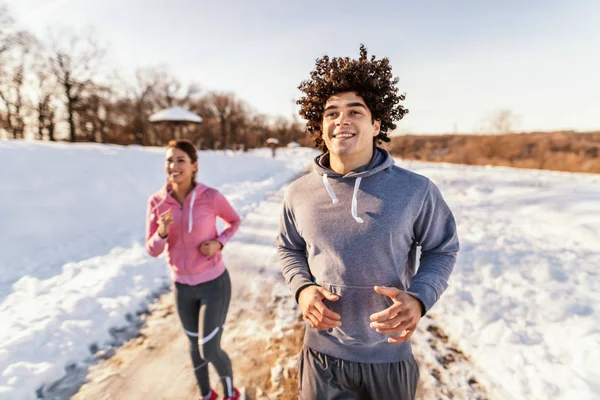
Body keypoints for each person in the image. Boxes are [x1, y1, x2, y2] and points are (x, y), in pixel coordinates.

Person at [276, 45, 459, 399]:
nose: (341, 120)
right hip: (322, 357)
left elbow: (442, 249)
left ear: (377, 124)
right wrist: (302, 289)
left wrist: (419, 299)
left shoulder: (416, 190)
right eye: (331, 113)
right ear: (321, 125)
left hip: (389, 358)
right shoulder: (298, 193)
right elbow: (288, 248)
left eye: (354, 111)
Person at [146, 139, 241, 400]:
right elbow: (152, 249)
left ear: (194, 166)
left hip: (214, 284)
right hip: (181, 287)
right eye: (169, 160)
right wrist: (162, 232)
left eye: (180, 160)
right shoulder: (156, 202)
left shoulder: (210, 197)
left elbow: (234, 220)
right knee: (193, 347)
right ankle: (205, 395)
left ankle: (231, 394)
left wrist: (219, 243)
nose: (173, 166)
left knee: (209, 349)